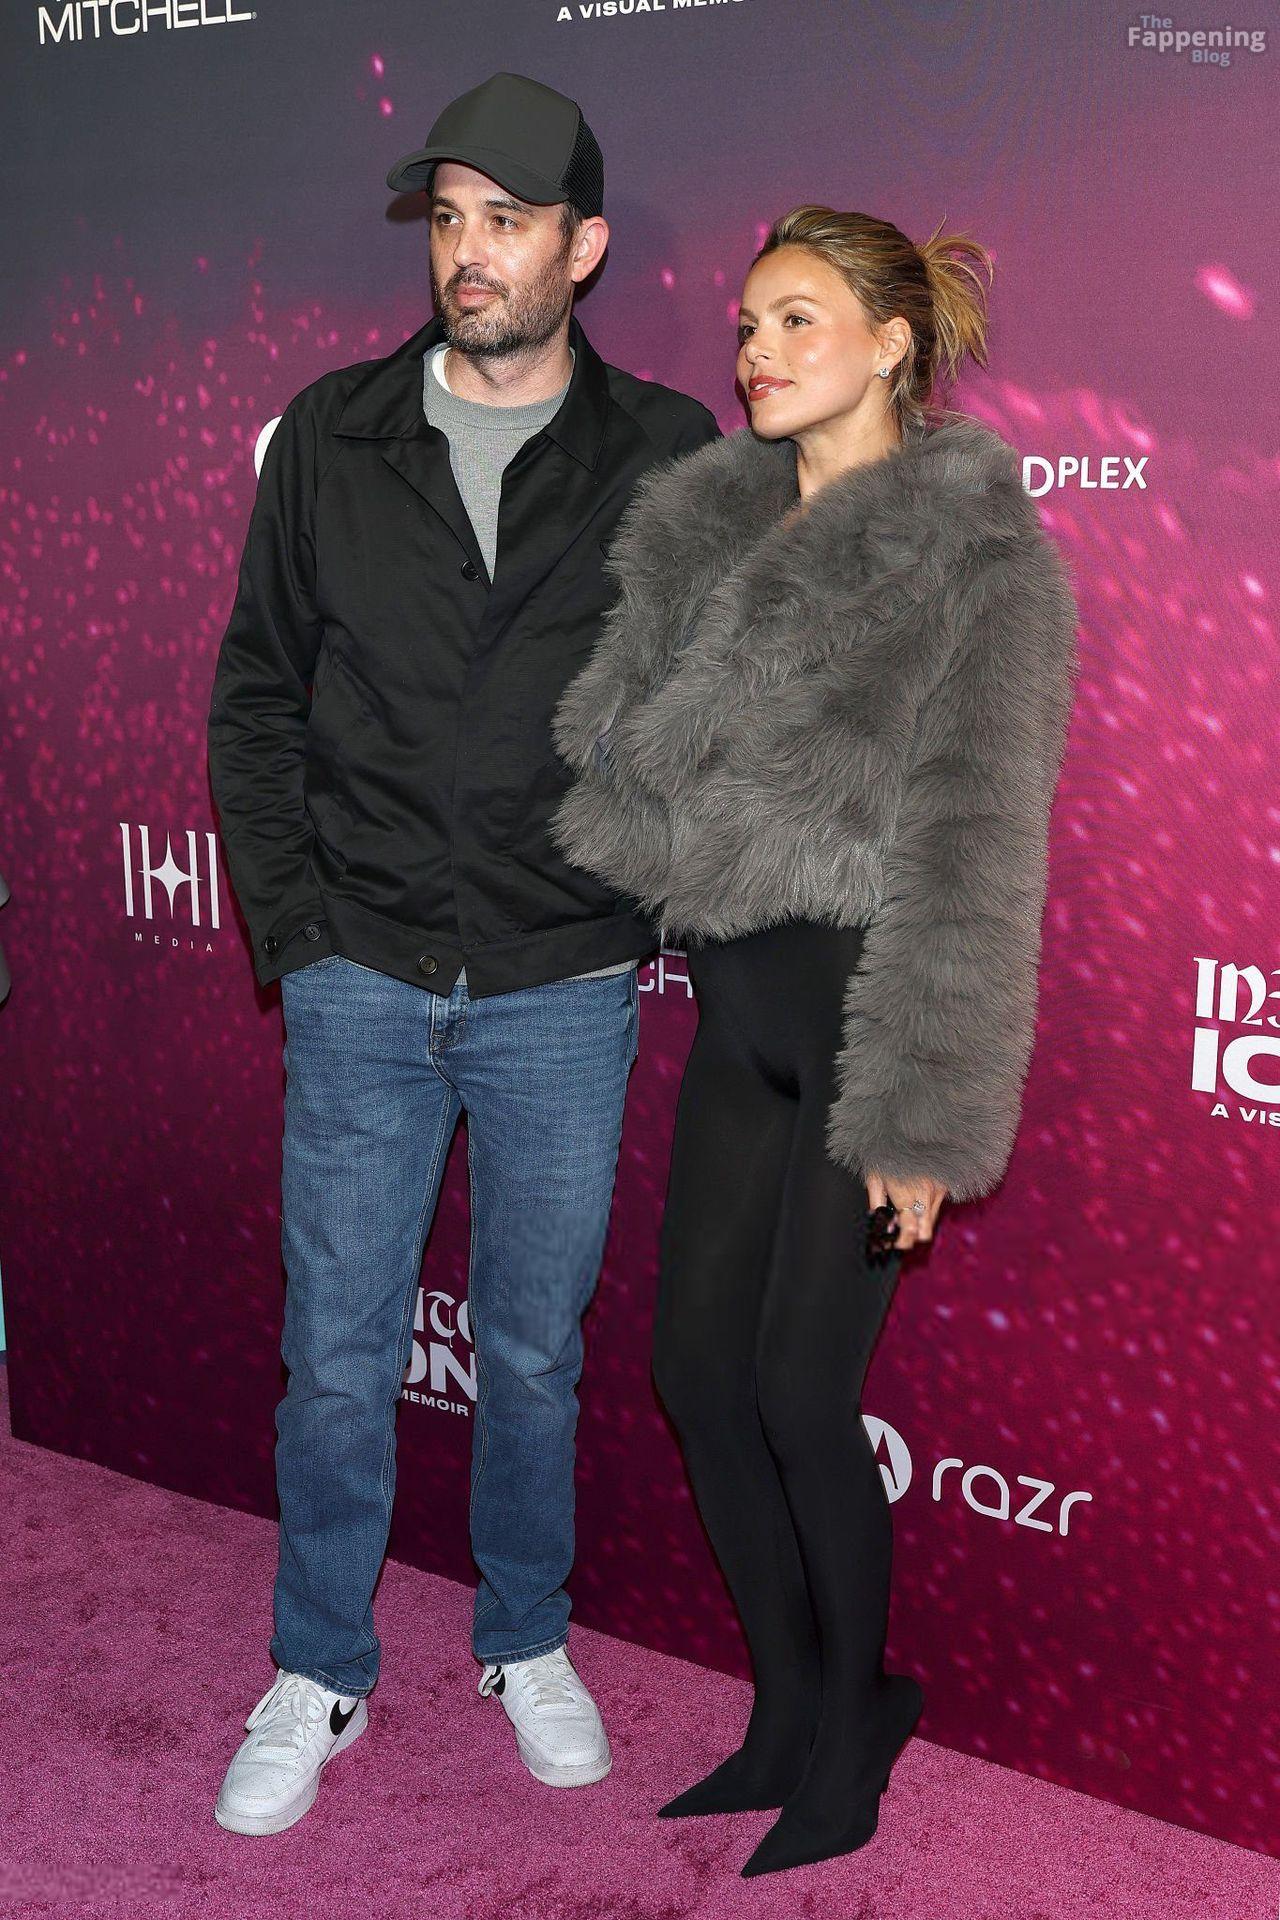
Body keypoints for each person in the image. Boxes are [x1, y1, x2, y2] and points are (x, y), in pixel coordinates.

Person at [205, 70, 721, 1836]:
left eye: (508, 220)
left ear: (585, 243)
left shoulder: (667, 451)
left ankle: (523, 1636)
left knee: (537, 1349)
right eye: (447, 219)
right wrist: (298, 931)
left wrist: (632, 894)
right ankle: (318, 1665)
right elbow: (258, 698)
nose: (469, 252)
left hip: (561, 984)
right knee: (338, 1351)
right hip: (356, 971)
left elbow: (718, 709)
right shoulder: (332, 434)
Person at [549, 205, 1080, 1876]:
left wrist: (922, 1111)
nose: (756, 352)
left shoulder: (982, 561)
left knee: (797, 1389)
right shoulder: (709, 527)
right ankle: (784, 1707)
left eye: (795, 319)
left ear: (892, 341)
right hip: (736, 1010)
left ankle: (858, 1723)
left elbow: (977, 849)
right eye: (747, 324)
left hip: (867, 1017)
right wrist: (692, 658)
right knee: (695, 1375)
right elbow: (613, 756)